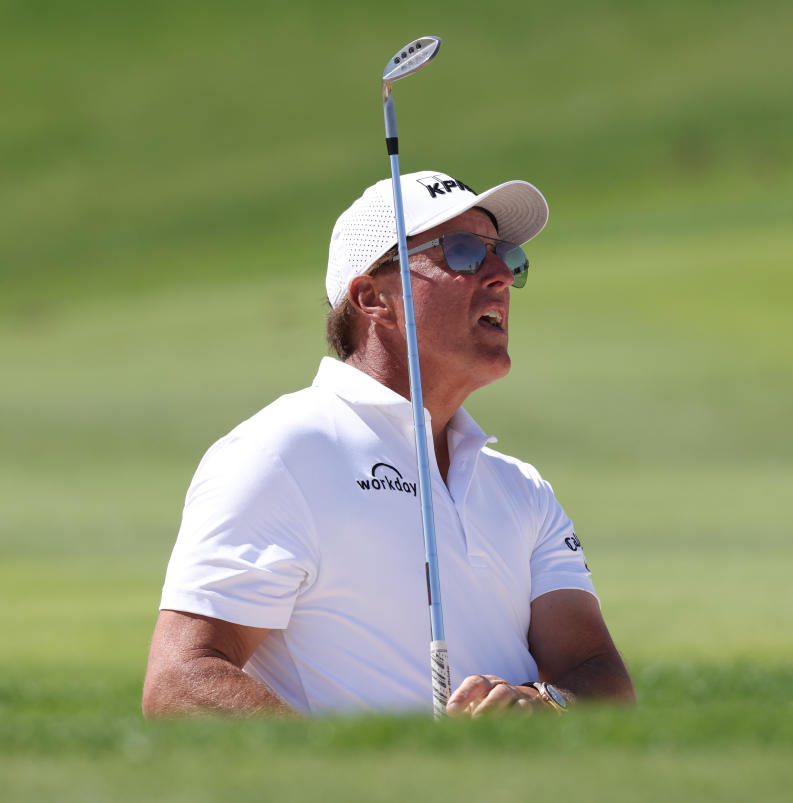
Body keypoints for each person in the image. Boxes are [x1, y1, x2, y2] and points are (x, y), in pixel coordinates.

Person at [142, 170, 634, 717]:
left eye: (508, 257)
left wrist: (549, 704)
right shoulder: (280, 452)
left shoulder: (522, 487)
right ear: (374, 298)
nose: (500, 275)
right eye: (465, 252)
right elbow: (179, 681)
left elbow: (597, 672)